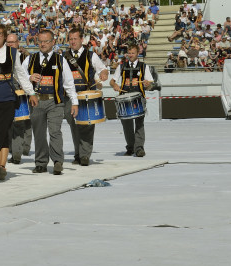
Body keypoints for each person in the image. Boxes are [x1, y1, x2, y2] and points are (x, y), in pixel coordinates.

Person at [0, 22, 36, 182]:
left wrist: (31, 92)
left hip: (7, 98)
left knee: (3, 132)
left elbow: (20, 74)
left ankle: (1, 168)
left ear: (4, 37)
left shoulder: (12, 53)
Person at [28, 29, 79, 175]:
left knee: (55, 131)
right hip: (36, 102)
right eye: (40, 41)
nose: (43, 44)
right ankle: (40, 163)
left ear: (53, 42)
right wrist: (29, 77)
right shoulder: (30, 59)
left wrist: (74, 102)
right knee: (38, 133)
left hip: (55, 102)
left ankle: (57, 161)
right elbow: (20, 76)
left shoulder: (60, 60)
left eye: (46, 41)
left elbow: (69, 83)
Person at [64, 27, 109, 166]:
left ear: (82, 40)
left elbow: (103, 69)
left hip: (87, 95)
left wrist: (104, 74)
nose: (73, 42)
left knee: (88, 125)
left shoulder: (91, 55)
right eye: (70, 39)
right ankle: (78, 153)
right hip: (70, 97)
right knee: (74, 125)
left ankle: (85, 155)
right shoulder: (64, 56)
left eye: (75, 39)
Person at [110, 42, 155, 157]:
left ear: (138, 53)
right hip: (124, 99)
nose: (130, 55)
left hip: (138, 98)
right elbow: (112, 81)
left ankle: (139, 148)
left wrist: (147, 84)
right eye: (129, 53)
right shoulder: (121, 66)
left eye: (132, 53)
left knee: (139, 123)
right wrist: (114, 86)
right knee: (127, 124)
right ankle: (130, 147)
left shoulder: (144, 66)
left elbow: (150, 84)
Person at [6, 31, 33, 165]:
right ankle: (15, 149)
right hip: (10, 92)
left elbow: (28, 74)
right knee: (12, 122)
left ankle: (24, 148)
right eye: (8, 42)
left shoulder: (26, 57)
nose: (10, 44)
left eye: (13, 42)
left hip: (25, 91)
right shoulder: (4, 55)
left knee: (25, 122)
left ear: (18, 43)